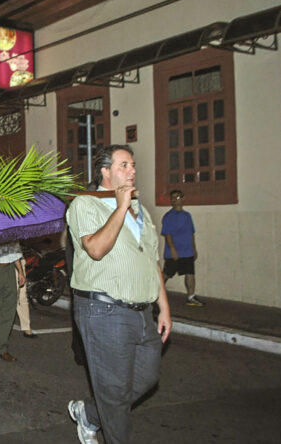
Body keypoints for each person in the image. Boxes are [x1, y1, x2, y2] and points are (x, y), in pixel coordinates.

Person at [66, 145, 172, 444]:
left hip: (142, 312)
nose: (132, 170)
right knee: (114, 395)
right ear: (105, 171)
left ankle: (89, 411)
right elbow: (96, 249)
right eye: (124, 165)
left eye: (133, 165)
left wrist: (163, 308)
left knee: (147, 378)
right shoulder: (85, 204)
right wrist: (120, 207)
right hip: (104, 310)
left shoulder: (141, 211)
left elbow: (152, 261)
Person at [161, 189, 204, 306]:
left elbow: (191, 233)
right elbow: (167, 234)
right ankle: (155, 296)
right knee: (166, 274)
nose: (175, 200)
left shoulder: (187, 216)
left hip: (187, 251)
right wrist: (172, 249)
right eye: (173, 198)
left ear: (183, 198)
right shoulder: (169, 216)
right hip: (174, 252)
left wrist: (194, 249)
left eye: (177, 197)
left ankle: (191, 297)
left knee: (190, 273)